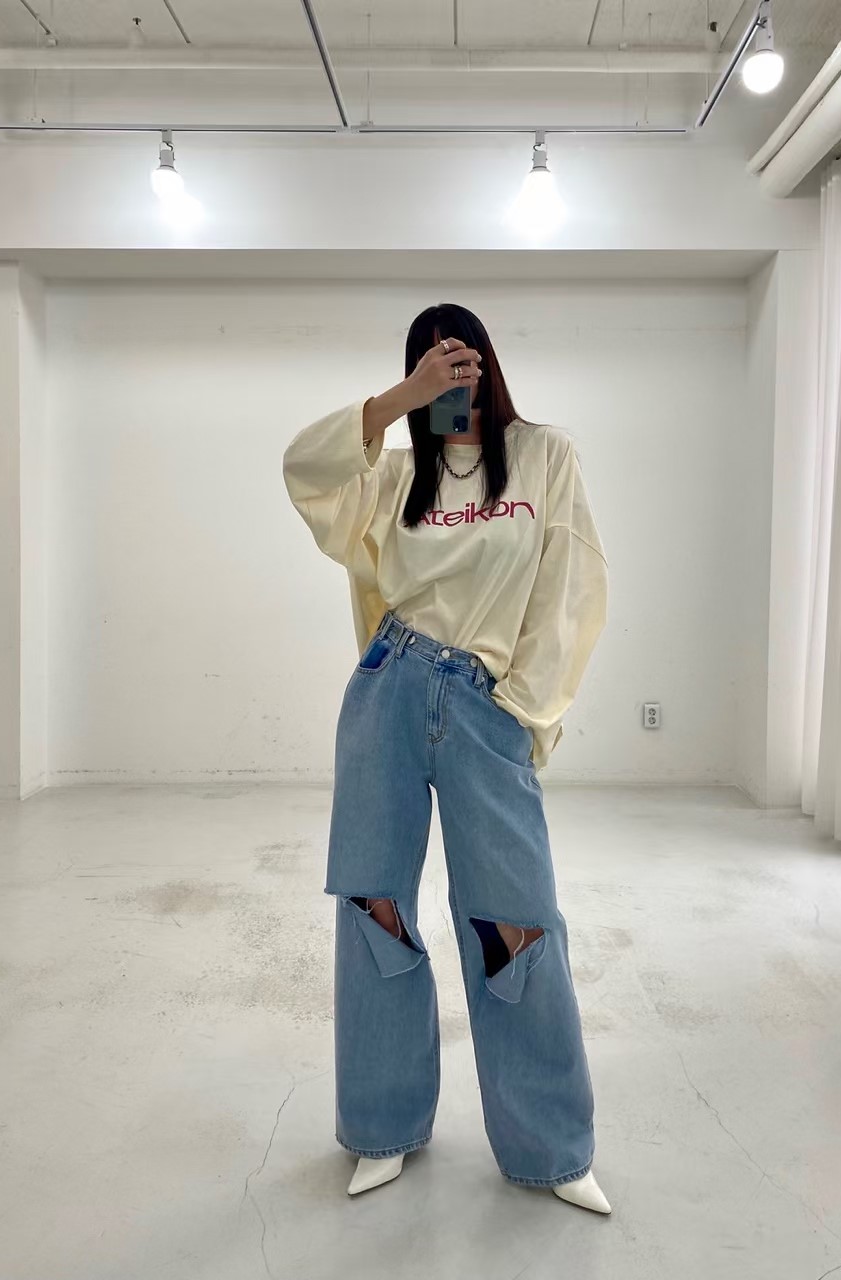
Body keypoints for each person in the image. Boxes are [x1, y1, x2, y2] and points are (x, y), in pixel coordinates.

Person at [282, 302, 610, 1213]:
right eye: (430, 363)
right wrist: (398, 403)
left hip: (484, 701)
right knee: (373, 904)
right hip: (388, 687)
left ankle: (551, 1145)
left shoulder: (544, 457)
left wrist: (525, 712)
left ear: (489, 362)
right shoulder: (391, 476)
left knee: (518, 917)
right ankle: (382, 1126)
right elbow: (303, 468)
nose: (449, 374)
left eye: (460, 358)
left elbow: (572, 586)